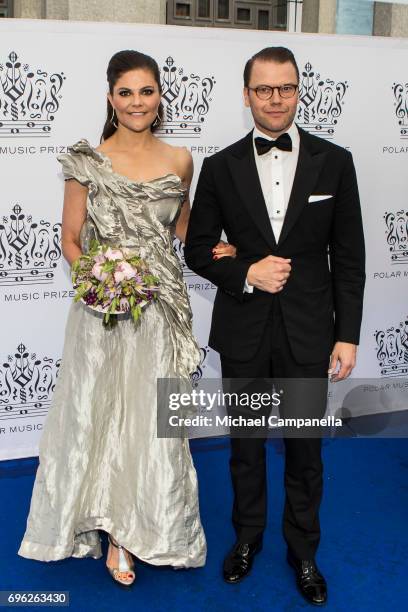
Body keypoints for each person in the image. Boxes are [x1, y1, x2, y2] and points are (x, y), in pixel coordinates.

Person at [18, 49, 235, 587]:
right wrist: (100, 280)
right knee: (97, 417)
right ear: (111, 98)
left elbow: (185, 230)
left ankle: (139, 532)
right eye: (126, 92)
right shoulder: (87, 160)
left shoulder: (181, 159)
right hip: (103, 309)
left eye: (146, 91)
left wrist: (233, 252)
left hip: (159, 306)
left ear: (160, 96)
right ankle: (102, 525)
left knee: (150, 421)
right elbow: (70, 239)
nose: (137, 102)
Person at [184, 46, 365, 605]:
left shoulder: (335, 161)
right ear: (246, 96)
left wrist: (348, 333)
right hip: (244, 330)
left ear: (297, 90)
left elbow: (349, 255)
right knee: (245, 448)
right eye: (264, 89)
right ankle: (246, 538)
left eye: (285, 87)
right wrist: (246, 272)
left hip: (311, 331)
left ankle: (303, 550)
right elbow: (196, 249)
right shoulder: (219, 167)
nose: (275, 98)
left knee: (306, 450)